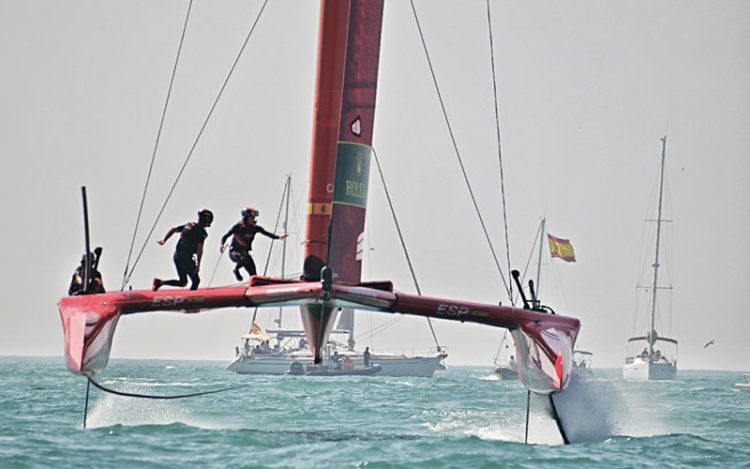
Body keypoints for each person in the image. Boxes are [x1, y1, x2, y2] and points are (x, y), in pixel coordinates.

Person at [220, 207, 288, 281]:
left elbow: (266, 233)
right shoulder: (238, 226)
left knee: (254, 274)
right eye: (252, 217)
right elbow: (226, 236)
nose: (254, 219)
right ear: (246, 218)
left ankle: (254, 283)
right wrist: (222, 244)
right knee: (244, 258)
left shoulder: (255, 228)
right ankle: (236, 270)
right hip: (234, 252)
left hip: (244, 252)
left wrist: (278, 237)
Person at [153, 209, 213, 291]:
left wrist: (164, 240)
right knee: (196, 281)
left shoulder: (189, 225)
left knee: (183, 282)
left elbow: (174, 229)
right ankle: (191, 300)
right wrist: (198, 265)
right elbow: (200, 249)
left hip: (177, 256)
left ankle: (160, 283)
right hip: (185, 258)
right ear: (206, 221)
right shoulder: (202, 232)